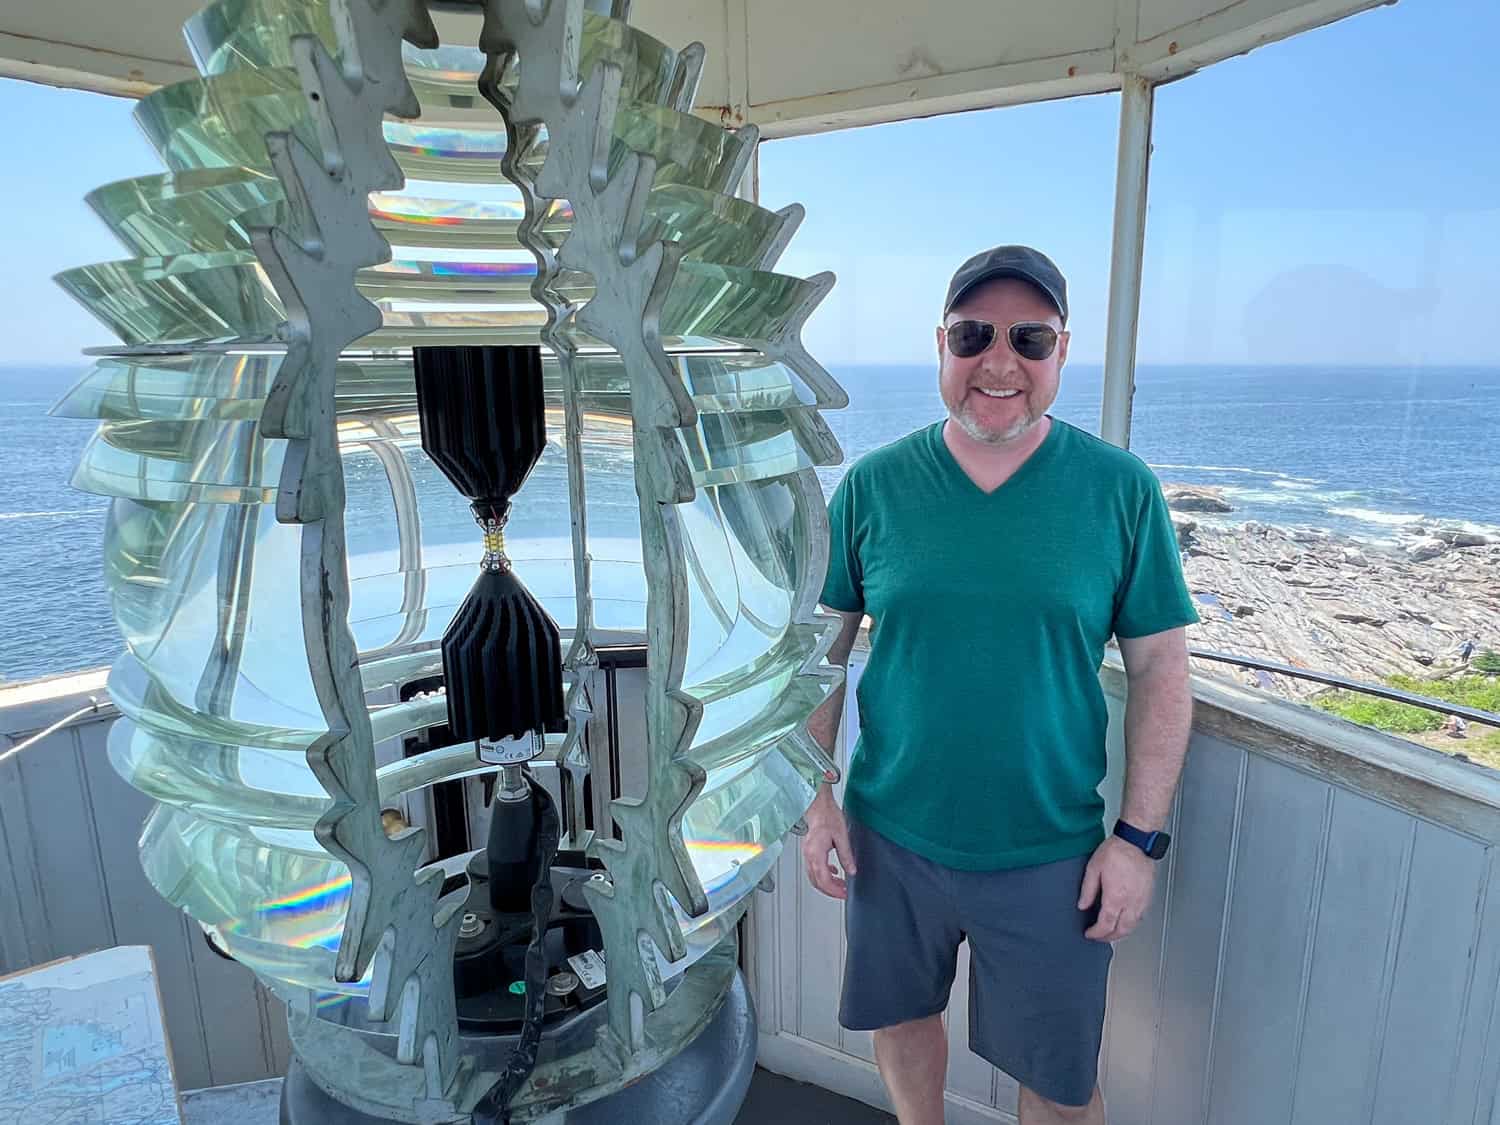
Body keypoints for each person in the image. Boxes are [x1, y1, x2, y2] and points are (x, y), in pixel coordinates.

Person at [802, 246, 1197, 1125]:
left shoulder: (1119, 490)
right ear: (941, 345)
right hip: (889, 835)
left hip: (1050, 852)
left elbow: (1163, 670)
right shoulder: (873, 485)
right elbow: (821, 652)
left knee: (1061, 1086)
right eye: (975, 334)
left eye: (1031, 337)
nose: (1000, 361)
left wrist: (1137, 839)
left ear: (1062, 351)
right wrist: (815, 800)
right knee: (902, 1023)